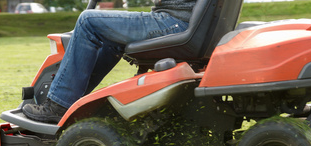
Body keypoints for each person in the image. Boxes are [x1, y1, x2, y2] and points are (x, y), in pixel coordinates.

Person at [22, 0, 198, 123]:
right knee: (110, 37)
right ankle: (77, 104)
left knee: (87, 20)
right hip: (181, 22)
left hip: (173, 22)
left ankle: (59, 105)